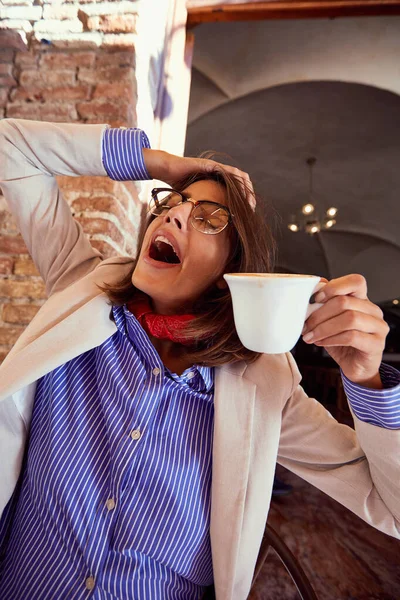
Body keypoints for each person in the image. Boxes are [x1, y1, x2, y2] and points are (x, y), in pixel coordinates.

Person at [0, 119, 398, 600]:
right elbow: (11, 146)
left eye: (209, 218)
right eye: (171, 204)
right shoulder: (80, 288)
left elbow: (390, 506)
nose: (173, 216)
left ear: (231, 270)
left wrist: (366, 380)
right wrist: (164, 164)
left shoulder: (265, 387)